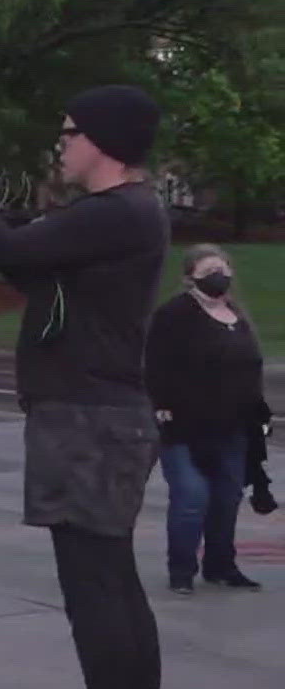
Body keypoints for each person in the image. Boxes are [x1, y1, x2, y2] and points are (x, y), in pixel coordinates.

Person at [0, 83, 168, 689]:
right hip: (101, 418)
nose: (61, 144)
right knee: (113, 583)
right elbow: (19, 258)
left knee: (96, 589)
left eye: (70, 133)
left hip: (86, 420)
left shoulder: (117, 211)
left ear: (101, 142)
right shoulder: (124, 217)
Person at [146, 244, 271, 595]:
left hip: (233, 427)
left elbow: (251, 368)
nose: (219, 275)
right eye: (209, 270)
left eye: (223, 268)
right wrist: (162, 406)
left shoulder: (236, 315)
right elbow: (156, 363)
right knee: (191, 498)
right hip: (184, 426)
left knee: (227, 497)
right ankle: (181, 571)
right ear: (191, 277)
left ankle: (221, 567)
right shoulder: (175, 314)